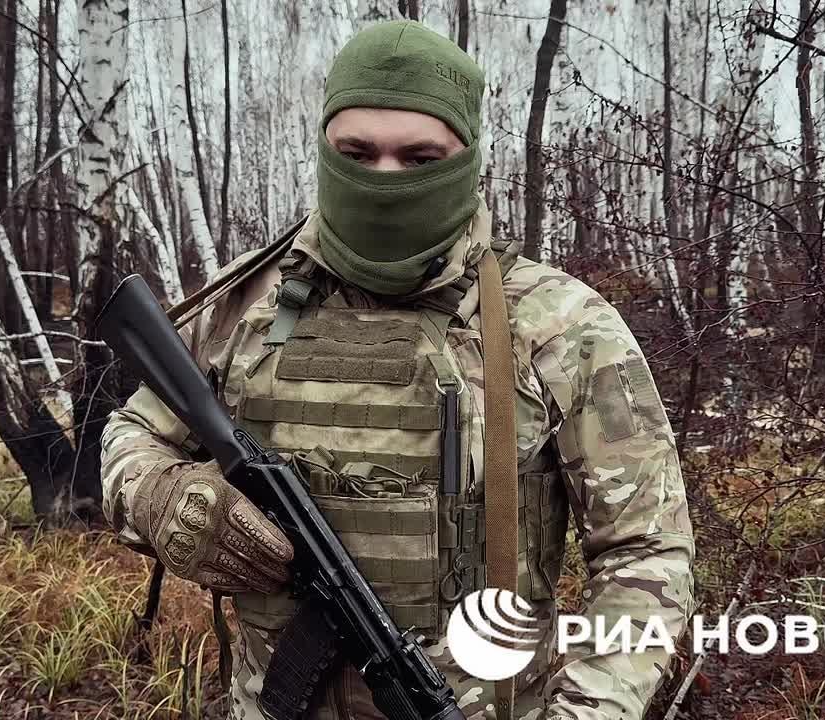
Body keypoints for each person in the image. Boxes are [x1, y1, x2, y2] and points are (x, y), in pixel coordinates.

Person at [100, 19, 693, 720]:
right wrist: (158, 494)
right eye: (357, 152)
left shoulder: (560, 324)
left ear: (468, 158)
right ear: (324, 149)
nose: (384, 179)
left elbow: (645, 553)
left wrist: (588, 710)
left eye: (419, 157)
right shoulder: (244, 304)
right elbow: (133, 437)